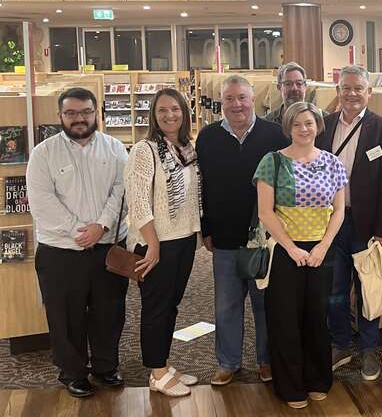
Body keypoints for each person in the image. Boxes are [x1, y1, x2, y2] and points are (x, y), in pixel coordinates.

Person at [26, 87, 129, 398]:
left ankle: (105, 366)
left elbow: (122, 191)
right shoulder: (43, 153)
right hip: (61, 251)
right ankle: (72, 372)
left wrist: (101, 226)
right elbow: (41, 201)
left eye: (85, 112)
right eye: (71, 113)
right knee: (65, 314)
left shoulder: (115, 149)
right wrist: (79, 231)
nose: (79, 119)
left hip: (108, 246)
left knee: (109, 311)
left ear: (96, 113)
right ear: (60, 116)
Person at [196, 75, 289, 386]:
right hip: (223, 238)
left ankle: (266, 360)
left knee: (265, 304)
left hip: (264, 238)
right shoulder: (207, 138)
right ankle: (228, 362)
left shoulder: (275, 135)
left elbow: (284, 185)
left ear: (253, 100)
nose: (237, 104)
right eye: (230, 99)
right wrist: (205, 227)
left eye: (242, 98)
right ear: (221, 103)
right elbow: (203, 187)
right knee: (226, 305)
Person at [254, 102, 348, 409]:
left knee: (316, 318)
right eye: (297, 124)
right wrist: (290, 247)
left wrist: (322, 246)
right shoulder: (273, 162)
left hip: (321, 251)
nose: (303, 129)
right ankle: (291, 385)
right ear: (288, 128)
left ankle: (318, 379)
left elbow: (339, 211)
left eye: (309, 123)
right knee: (285, 319)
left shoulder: (333, 162)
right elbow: (266, 213)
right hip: (284, 251)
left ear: (318, 126)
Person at [315, 65, 382, 381]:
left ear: (369, 92)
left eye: (358, 88)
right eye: (346, 88)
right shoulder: (322, 126)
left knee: (368, 289)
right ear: (338, 91)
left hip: (367, 226)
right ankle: (340, 343)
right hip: (329, 225)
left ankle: (369, 349)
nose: (352, 94)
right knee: (335, 289)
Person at [124, 89, 202, 397]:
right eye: (162, 111)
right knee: (156, 308)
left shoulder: (185, 147)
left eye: (175, 109)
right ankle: (156, 372)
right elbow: (139, 202)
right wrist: (153, 245)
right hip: (155, 243)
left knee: (171, 305)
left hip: (182, 240)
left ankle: (164, 364)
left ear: (184, 112)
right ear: (153, 116)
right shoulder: (145, 150)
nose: (170, 115)